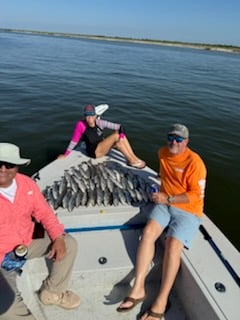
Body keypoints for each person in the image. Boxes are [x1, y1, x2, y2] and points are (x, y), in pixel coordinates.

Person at [117, 124, 207, 320]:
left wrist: (168, 199)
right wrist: (160, 194)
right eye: (171, 137)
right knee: (148, 232)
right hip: (165, 203)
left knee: (173, 245)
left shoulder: (196, 163)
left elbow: (195, 196)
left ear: (186, 142)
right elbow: (164, 175)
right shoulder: (162, 153)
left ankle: (162, 300)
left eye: (179, 139)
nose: (173, 142)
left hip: (188, 210)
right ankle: (139, 287)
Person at [0, 143, 80, 319]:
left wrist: (58, 237)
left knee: (69, 244)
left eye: (8, 164)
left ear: (17, 166)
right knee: (6, 309)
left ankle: (52, 292)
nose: (3, 169)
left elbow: (44, 213)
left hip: (26, 241)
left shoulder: (27, 184)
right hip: (2, 256)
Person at [58, 104, 146, 169]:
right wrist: (66, 154)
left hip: (102, 147)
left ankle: (133, 158)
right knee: (116, 136)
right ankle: (131, 161)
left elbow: (120, 127)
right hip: (94, 152)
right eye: (87, 116)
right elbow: (74, 141)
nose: (90, 118)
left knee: (119, 134)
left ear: (95, 115)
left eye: (92, 115)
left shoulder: (100, 122)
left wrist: (122, 136)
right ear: (84, 116)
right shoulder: (80, 125)